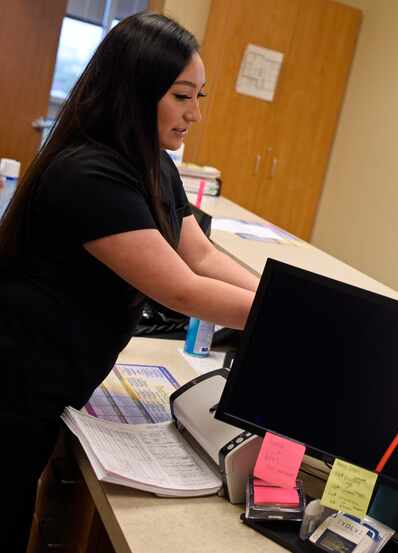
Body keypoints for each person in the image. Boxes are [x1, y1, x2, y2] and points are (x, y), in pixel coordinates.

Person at [0, 13, 259, 551]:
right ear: (137, 92)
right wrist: (285, 319)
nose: (195, 114)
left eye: (199, 96)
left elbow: (203, 257)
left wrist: (281, 299)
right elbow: (181, 290)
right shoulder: (88, 172)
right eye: (183, 96)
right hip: (12, 384)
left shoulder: (152, 163)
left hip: (47, 384)